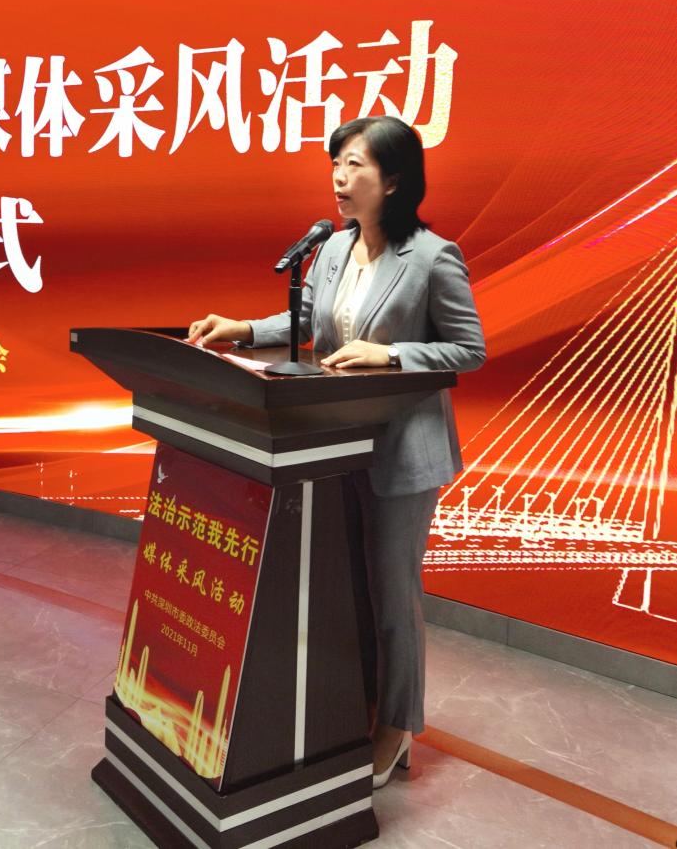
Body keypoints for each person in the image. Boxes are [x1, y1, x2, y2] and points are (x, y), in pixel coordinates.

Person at [186, 115, 485, 788]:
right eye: (336, 164)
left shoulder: (432, 257)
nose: (339, 178)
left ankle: (396, 728)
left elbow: (468, 349)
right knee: (343, 589)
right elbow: (307, 321)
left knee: (391, 593)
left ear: (394, 180)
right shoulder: (331, 247)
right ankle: (348, 707)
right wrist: (242, 328)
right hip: (331, 444)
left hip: (401, 451)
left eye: (355, 165)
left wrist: (392, 354)